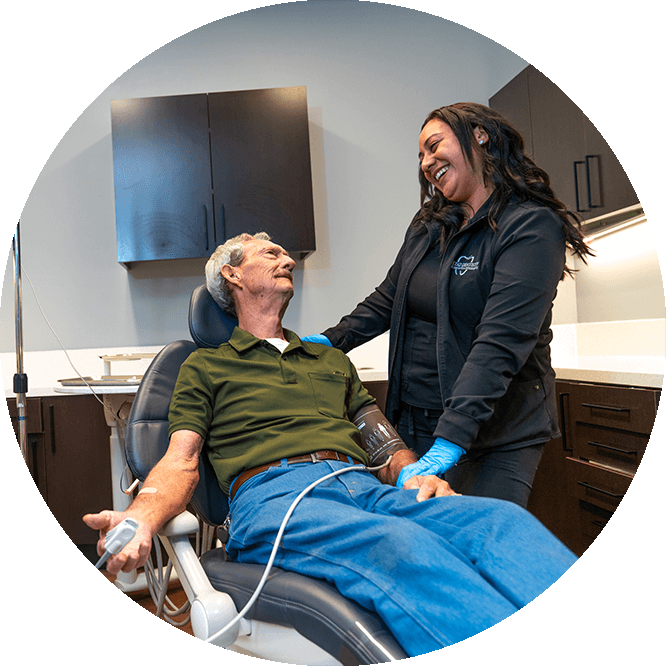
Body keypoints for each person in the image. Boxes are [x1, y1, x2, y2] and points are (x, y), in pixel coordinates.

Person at [84, 232, 576, 656]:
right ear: (232, 277)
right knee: (402, 546)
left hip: (362, 487)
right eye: (272, 253)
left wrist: (415, 474)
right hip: (276, 498)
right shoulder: (205, 367)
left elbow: (379, 439)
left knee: (499, 521)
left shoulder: (328, 361)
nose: (289, 260)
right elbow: (181, 459)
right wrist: (141, 516)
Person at [308, 102, 593, 507]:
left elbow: (500, 342)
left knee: (482, 547)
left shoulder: (530, 225)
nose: (426, 162)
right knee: (427, 548)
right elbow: (390, 298)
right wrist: (329, 340)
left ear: (479, 135)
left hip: (492, 433)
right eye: (420, 156)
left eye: (434, 145)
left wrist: (452, 439)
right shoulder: (431, 224)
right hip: (416, 421)